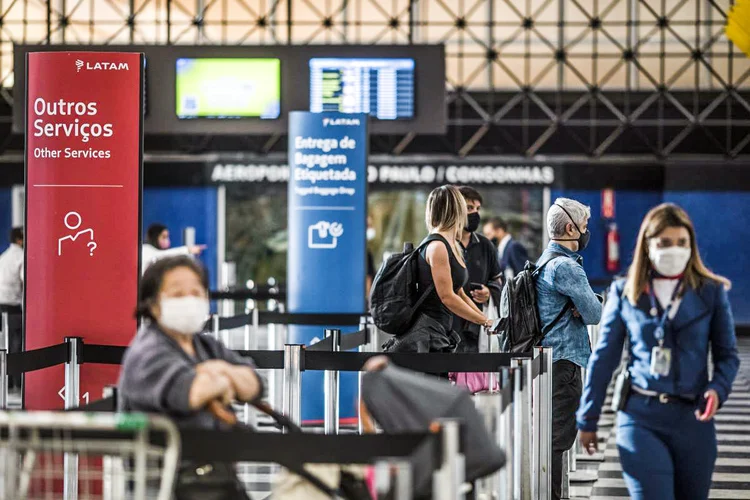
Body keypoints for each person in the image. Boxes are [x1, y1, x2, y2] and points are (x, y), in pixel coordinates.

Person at [577, 203, 739, 500]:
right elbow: (604, 358)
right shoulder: (626, 292)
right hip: (640, 417)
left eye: (681, 243)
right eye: (664, 243)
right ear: (647, 246)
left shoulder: (711, 292)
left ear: (691, 246)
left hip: (694, 419)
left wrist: (718, 388)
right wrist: (588, 418)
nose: (673, 250)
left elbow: (728, 355)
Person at [118, 255, 263, 429]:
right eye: (177, 294)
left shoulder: (204, 345)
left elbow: (255, 385)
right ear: (153, 305)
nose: (189, 300)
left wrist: (219, 368)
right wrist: (229, 380)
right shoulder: (147, 352)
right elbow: (193, 393)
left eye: (196, 293)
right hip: (171, 453)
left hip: (216, 451)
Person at [536, 198, 603, 500]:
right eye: (585, 227)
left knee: (550, 438)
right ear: (569, 228)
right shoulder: (566, 267)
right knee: (557, 440)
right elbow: (595, 314)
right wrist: (589, 303)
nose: (586, 233)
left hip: (547, 359)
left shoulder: (545, 260)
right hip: (564, 362)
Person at [383, 185, 494, 354]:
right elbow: (447, 296)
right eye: (464, 207)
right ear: (454, 209)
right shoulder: (437, 247)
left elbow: (459, 293)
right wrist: (484, 321)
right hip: (428, 336)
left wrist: (485, 319)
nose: (469, 213)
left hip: (441, 332)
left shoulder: (450, 245)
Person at [454, 186, 503, 353]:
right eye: (469, 208)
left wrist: (489, 292)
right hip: (448, 326)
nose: (475, 213)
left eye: (477, 209)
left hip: (477, 328)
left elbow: (497, 280)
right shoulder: (443, 245)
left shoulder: (486, 245)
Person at [0, 227, 24, 391]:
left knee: (5, 343)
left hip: (1, 305)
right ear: (19, 239)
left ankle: (5, 382)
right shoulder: (21, 257)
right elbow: (25, 279)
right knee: (16, 344)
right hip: (14, 306)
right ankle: (16, 382)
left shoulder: (4, 257)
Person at [482, 216, 529, 280]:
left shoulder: (514, 247)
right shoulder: (499, 249)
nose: (487, 238)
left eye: (488, 234)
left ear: (499, 231)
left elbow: (523, 276)